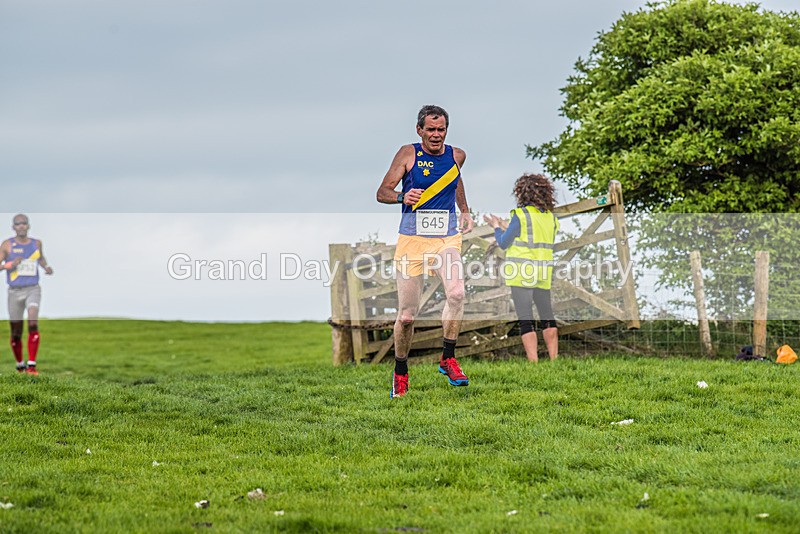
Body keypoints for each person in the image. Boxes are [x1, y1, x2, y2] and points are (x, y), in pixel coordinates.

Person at [376, 105, 474, 397]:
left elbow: (454, 180)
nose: (436, 135)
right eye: (430, 129)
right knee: (407, 316)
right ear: (419, 130)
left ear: (446, 130)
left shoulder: (457, 155)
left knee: (456, 293)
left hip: (446, 238)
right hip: (412, 241)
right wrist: (401, 196)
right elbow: (382, 192)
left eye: (441, 129)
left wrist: (465, 210)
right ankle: (401, 373)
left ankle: (448, 357)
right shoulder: (408, 154)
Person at [484, 174, 559, 362]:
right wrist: (505, 225)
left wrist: (496, 226)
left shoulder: (520, 215)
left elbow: (503, 242)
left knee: (526, 317)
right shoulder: (550, 218)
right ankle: (554, 360)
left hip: (521, 272)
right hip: (543, 271)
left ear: (522, 193)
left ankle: (533, 362)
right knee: (547, 316)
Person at [0, 214, 54, 375]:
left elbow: (41, 259)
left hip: (33, 289)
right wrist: (10, 264)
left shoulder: (36, 244)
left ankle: (32, 365)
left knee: (32, 323)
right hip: (15, 291)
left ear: (28, 226)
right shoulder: (7, 245)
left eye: (24, 223)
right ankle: (20, 365)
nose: (21, 226)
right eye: (18, 224)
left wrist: (46, 267)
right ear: (13, 227)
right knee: (16, 332)